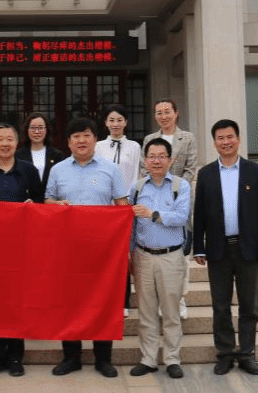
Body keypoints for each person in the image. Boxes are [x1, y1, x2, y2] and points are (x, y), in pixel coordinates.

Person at [45, 117, 129, 378]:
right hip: (68, 250)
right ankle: (71, 357)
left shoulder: (111, 169)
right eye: (76, 136)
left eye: (86, 135)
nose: (81, 141)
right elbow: (47, 201)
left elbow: (123, 207)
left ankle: (103, 359)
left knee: (103, 303)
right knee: (68, 303)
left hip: (102, 252)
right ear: (68, 142)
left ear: (95, 139)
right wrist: (55, 205)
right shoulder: (58, 170)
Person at [192, 119, 258, 376]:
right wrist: (199, 247)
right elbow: (199, 213)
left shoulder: (254, 171)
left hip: (247, 248)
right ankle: (225, 354)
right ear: (214, 142)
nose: (226, 142)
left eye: (230, 137)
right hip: (218, 250)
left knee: (249, 306)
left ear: (238, 139)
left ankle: (247, 353)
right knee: (220, 306)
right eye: (220, 138)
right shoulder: (206, 174)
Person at [0, 122, 44, 377]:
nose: (5, 144)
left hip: (20, 246)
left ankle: (15, 356)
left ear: (17, 142)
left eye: (9, 139)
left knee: (16, 302)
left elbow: (40, 201)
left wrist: (33, 205)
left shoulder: (28, 170)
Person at [128, 138, 190, 380]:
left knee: (171, 311)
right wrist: (131, 254)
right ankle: (148, 359)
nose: (156, 161)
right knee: (146, 312)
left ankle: (173, 359)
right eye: (152, 156)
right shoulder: (136, 188)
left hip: (171, 256)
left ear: (170, 160)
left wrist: (153, 214)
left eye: (161, 156)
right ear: (145, 160)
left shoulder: (180, 185)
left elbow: (181, 217)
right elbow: (131, 225)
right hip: (143, 255)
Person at [141, 98, 198, 319]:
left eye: (167, 112)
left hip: (178, 200)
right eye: (159, 112)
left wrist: (175, 189)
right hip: (152, 201)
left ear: (176, 113)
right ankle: (159, 301)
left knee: (181, 253)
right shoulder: (150, 139)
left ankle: (179, 300)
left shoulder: (188, 138)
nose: (163, 116)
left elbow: (190, 169)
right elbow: (143, 169)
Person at [94, 104, 141, 312]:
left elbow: (136, 175)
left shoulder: (134, 147)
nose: (115, 124)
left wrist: (128, 202)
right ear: (105, 123)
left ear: (126, 122)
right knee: (105, 256)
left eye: (119, 120)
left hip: (124, 208)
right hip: (104, 209)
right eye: (111, 120)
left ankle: (124, 302)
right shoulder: (98, 147)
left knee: (123, 256)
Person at [15, 112, 66, 191]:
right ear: (27, 130)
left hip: (51, 197)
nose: (37, 132)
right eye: (33, 128)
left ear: (47, 130)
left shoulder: (57, 155)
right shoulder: (18, 155)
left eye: (40, 128)